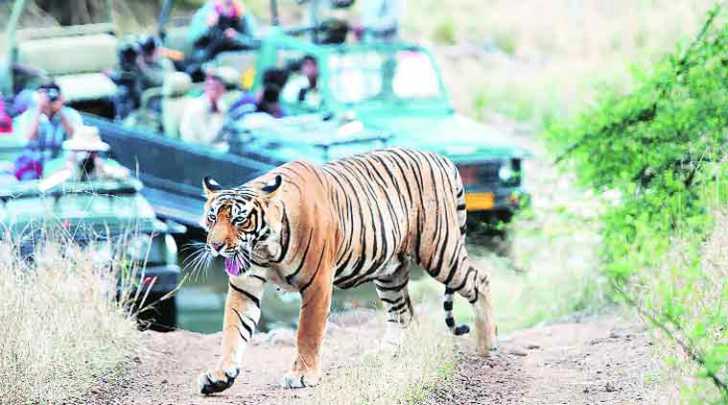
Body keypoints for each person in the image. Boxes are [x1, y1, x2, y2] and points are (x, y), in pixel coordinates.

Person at [13, 83, 82, 180]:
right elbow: (28, 138)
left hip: (60, 164)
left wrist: (60, 111)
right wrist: (39, 108)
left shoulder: (70, 114)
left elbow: (76, 137)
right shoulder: (28, 116)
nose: (50, 98)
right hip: (33, 165)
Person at [186, 0, 258, 79]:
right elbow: (192, 40)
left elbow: (254, 42)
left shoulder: (243, 13)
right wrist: (208, 27)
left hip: (234, 62)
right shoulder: (205, 12)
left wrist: (236, 37)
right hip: (206, 61)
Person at [180, 68, 236, 145]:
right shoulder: (196, 107)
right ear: (206, 86)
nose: (216, 87)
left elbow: (226, 136)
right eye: (212, 85)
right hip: (194, 150)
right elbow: (206, 141)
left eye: (220, 85)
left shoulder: (222, 105)